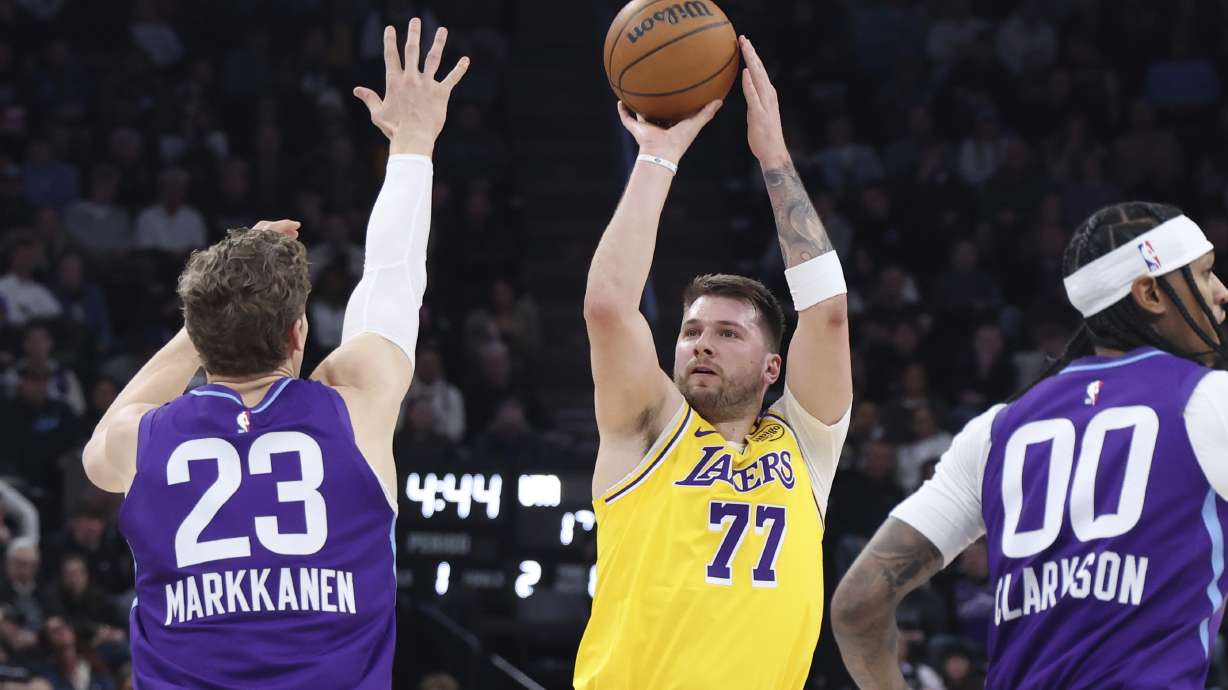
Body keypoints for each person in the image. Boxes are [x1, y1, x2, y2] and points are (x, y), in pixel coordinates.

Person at [80, 19, 468, 689]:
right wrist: (412, 144)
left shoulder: (145, 440)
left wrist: (197, 328)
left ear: (200, 340)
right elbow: (392, 280)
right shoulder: (355, 407)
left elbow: (100, 452)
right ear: (297, 335)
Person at [832, 201, 1228, 689]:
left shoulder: (996, 430)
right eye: (1206, 273)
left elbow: (857, 606)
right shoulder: (1208, 401)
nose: (1221, 293)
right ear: (1150, 293)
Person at [574, 37, 852, 689]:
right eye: (693, 330)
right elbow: (610, 309)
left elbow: (828, 313)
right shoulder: (647, 427)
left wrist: (774, 158)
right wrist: (657, 157)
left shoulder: (804, 446)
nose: (701, 342)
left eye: (729, 333)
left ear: (772, 369)